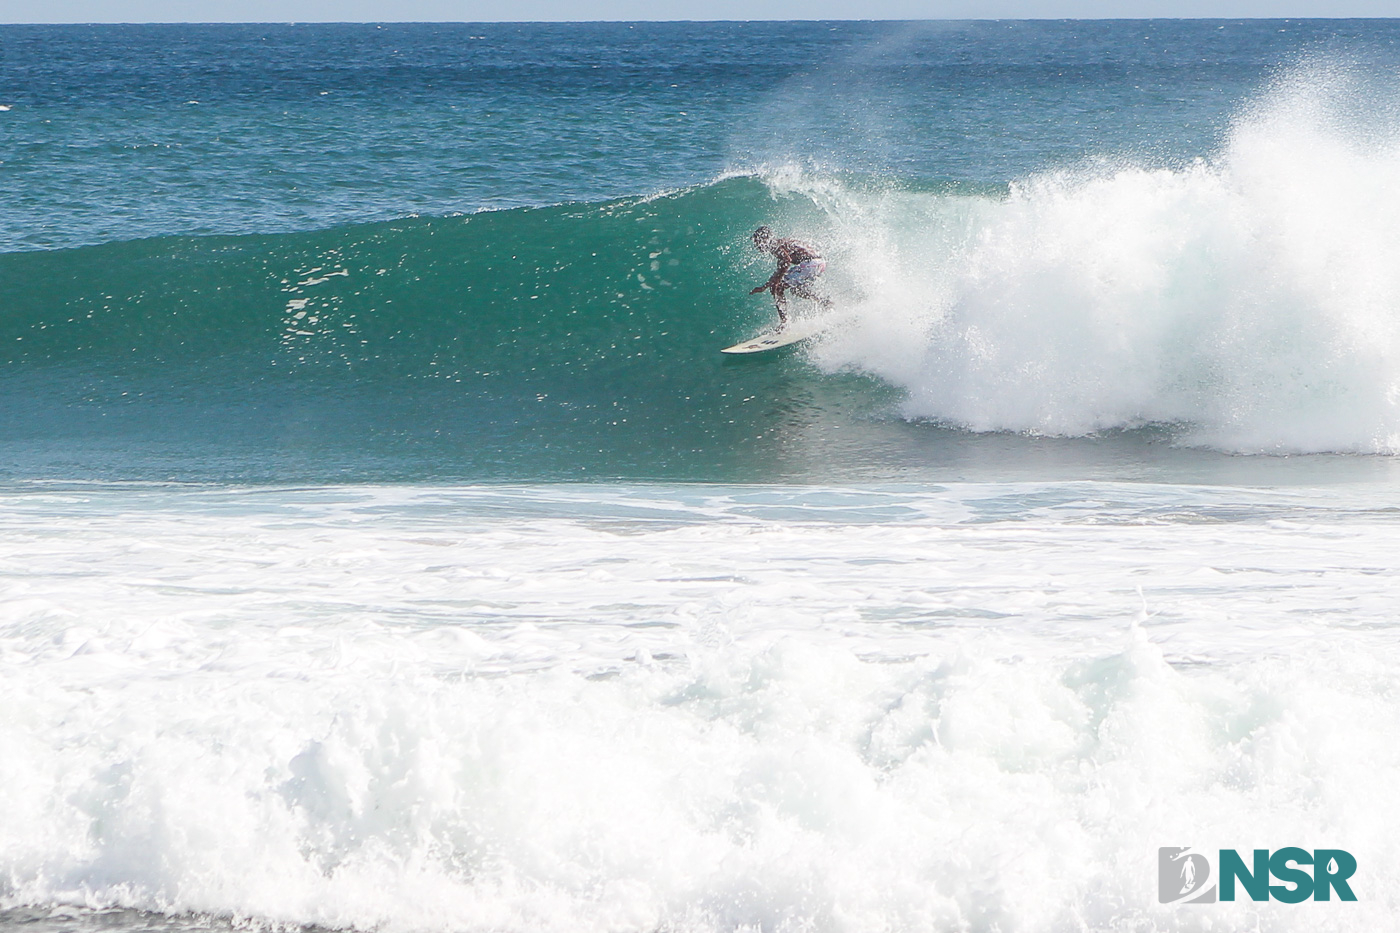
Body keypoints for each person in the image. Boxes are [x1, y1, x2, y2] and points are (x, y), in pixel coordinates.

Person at [748, 226, 832, 325]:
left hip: (811, 264)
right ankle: (825, 302)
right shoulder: (780, 244)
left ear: (764, 239)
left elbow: (786, 262)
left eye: (757, 242)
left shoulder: (774, 245)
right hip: (819, 263)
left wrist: (776, 283)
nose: (757, 246)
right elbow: (779, 270)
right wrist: (764, 287)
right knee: (796, 290)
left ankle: (784, 323)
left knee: (778, 288)